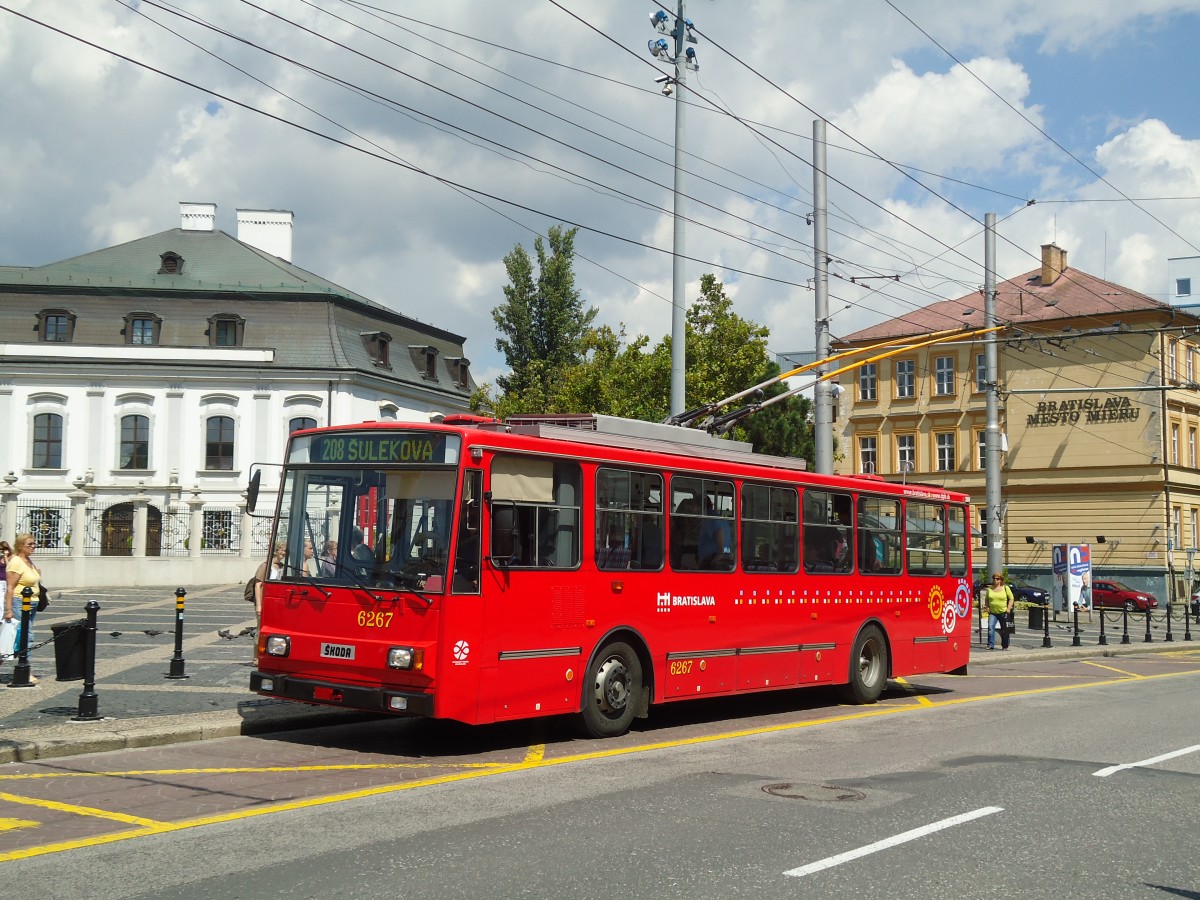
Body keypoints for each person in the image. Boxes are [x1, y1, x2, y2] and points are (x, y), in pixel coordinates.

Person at [6, 533, 42, 682]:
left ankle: (24, 666)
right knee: (24, 636)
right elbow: (10, 587)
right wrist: (9, 610)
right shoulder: (16, 561)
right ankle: (25, 669)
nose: (33, 547)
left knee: (20, 637)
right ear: (20, 545)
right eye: (30, 544)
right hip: (20, 602)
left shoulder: (27, 561)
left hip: (31, 603)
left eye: (34, 544)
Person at [981, 571, 1015, 650]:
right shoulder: (990, 589)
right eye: (994, 579)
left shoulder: (1005, 588)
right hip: (993, 612)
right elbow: (986, 599)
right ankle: (990, 644)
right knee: (990, 628)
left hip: (1003, 612)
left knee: (1004, 630)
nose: (995, 580)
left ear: (1001, 580)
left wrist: (1008, 608)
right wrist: (987, 607)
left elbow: (1011, 598)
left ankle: (1005, 646)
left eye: (997, 579)